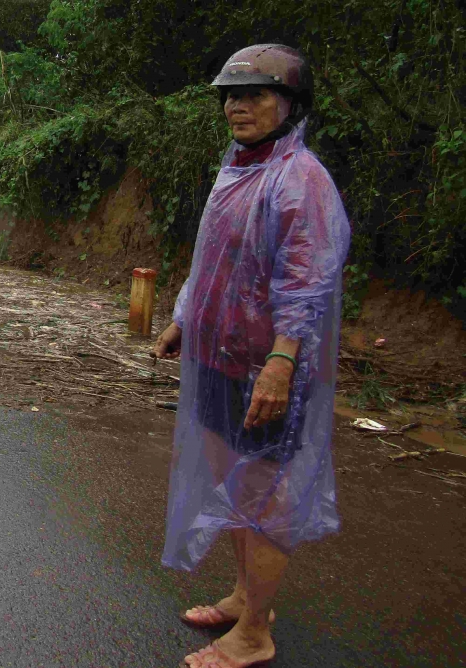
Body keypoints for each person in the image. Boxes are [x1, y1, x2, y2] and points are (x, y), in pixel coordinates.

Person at [152, 44, 351, 668]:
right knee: (232, 483)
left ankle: (255, 634)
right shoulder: (237, 169)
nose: (238, 106)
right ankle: (244, 598)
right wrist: (185, 317)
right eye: (232, 96)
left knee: (264, 495)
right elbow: (212, 258)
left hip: (268, 369)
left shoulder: (300, 180)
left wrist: (282, 361)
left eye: (255, 94)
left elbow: (307, 282)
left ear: (290, 104)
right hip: (219, 358)